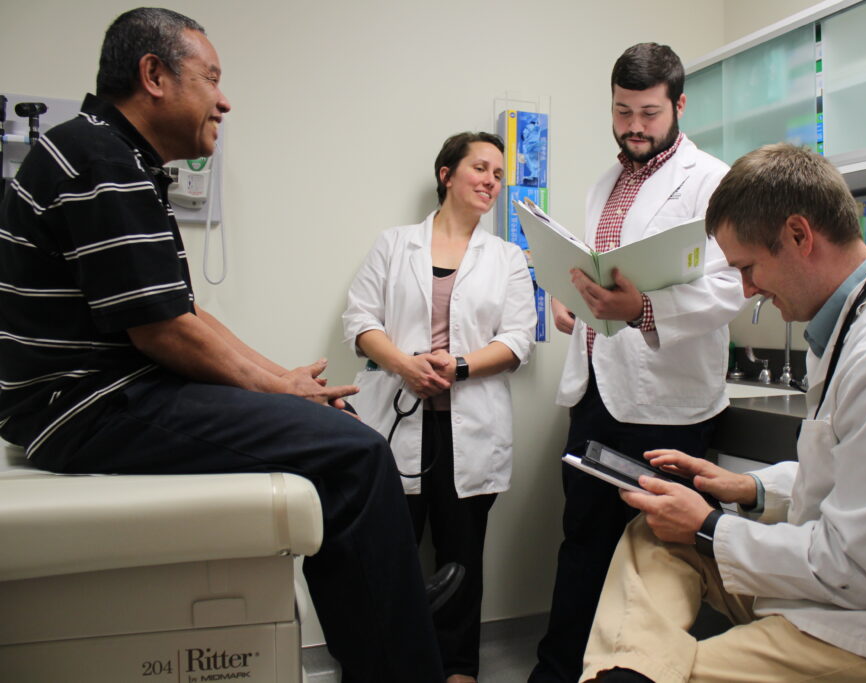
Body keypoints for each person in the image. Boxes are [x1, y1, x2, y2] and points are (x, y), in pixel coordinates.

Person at [0, 8, 460, 682]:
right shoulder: (100, 159)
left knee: (336, 422)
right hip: (83, 405)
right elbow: (165, 332)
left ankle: (382, 607)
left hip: (97, 392)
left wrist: (287, 381)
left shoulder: (112, 154)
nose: (224, 99)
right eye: (211, 78)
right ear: (153, 75)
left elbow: (182, 314)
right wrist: (281, 389)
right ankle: (398, 654)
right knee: (356, 452)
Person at [580, 143, 866, 682]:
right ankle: (633, 673)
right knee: (653, 533)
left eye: (747, 267)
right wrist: (751, 490)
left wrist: (709, 526)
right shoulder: (853, 321)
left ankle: (639, 672)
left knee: (685, 659)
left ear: (798, 235)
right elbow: (859, 474)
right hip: (854, 579)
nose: (745, 291)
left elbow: (859, 568)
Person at [529, 43, 744, 682]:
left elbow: (732, 285)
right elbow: (604, 282)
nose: (634, 127)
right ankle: (558, 671)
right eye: (623, 111)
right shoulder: (605, 183)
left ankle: (626, 675)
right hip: (597, 393)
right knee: (584, 540)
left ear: (679, 104)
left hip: (666, 407)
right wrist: (578, 306)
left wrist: (641, 309)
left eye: (649, 112)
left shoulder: (713, 181)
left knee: (653, 557)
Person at [343, 132, 536, 683]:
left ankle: (458, 671)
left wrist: (462, 367)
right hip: (396, 419)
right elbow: (360, 321)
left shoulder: (507, 258)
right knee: (388, 557)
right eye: (480, 167)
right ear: (446, 174)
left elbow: (520, 338)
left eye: (498, 175)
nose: (491, 181)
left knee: (462, 558)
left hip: (469, 426)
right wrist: (407, 365)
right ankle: (388, 666)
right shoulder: (394, 244)